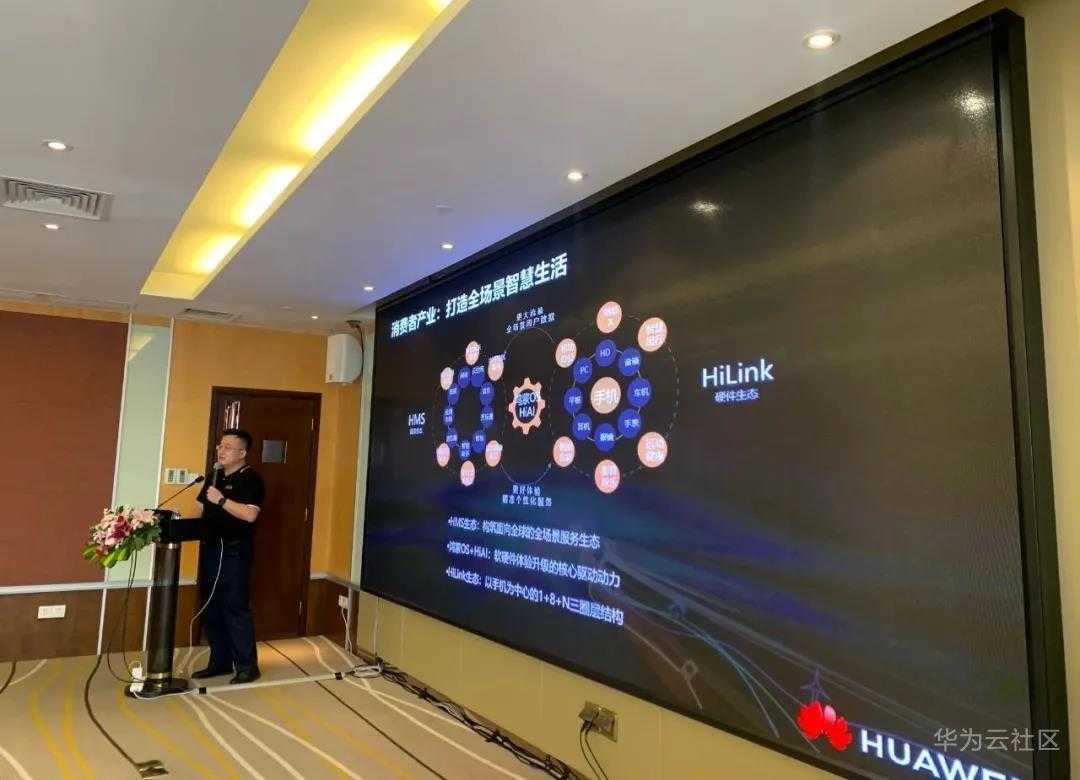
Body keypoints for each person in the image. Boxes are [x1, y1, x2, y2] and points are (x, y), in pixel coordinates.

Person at [192, 428, 265, 684]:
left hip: (234, 551)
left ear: (242, 453)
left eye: (227, 447)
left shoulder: (251, 478)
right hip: (211, 548)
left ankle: (247, 666)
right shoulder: (215, 475)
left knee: (234, 607)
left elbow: (250, 515)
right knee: (211, 606)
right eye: (220, 446)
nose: (221, 451)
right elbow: (200, 507)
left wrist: (222, 500)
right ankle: (220, 662)